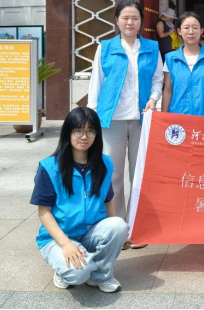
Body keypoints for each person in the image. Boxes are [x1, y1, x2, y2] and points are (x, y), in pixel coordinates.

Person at [88, 0, 163, 242]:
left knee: (140, 176)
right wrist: (92, 116)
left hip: (142, 120)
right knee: (114, 176)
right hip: (112, 121)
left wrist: (153, 99)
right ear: (117, 21)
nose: (130, 22)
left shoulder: (152, 47)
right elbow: (96, 83)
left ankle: (137, 228)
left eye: (135, 18)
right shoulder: (105, 48)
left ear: (141, 21)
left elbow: (158, 79)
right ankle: (117, 228)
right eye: (125, 18)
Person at [31, 107, 129, 293]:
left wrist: (119, 236)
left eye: (90, 130)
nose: (84, 136)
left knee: (119, 225)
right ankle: (67, 269)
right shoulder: (49, 167)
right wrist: (66, 244)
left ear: (97, 134)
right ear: (68, 132)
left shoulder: (104, 163)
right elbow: (44, 213)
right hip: (59, 236)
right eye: (78, 130)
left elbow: (108, 200)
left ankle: (100, 276)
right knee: (78, 274)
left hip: (90, 232)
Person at [162, 11, 204, 117]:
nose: (191, 32)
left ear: (201, 31)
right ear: (179, 31)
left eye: (195, 28)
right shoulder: (171, 58)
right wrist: (164, 117)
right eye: (186, 28)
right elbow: (168, 90)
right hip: (178, 117)